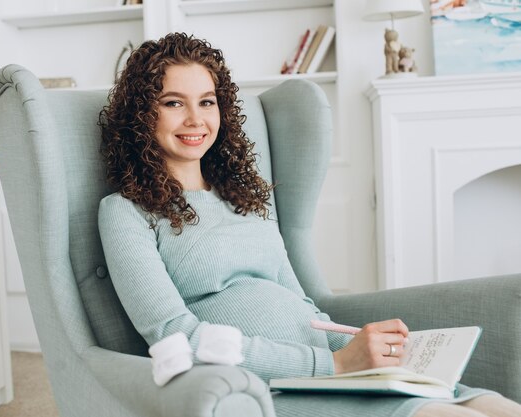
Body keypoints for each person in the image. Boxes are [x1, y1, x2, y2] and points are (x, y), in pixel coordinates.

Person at [98, 32, 521, 417]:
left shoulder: (244, 199)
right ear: (142, 114)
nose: (196, 119)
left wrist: (368, 351)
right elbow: (175, 337)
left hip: (341, 372)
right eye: (174, 102)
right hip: (276, 389)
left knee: (497, 407)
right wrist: (335, 364)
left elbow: (307, 313)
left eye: (207, 101)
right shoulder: (126, 212)